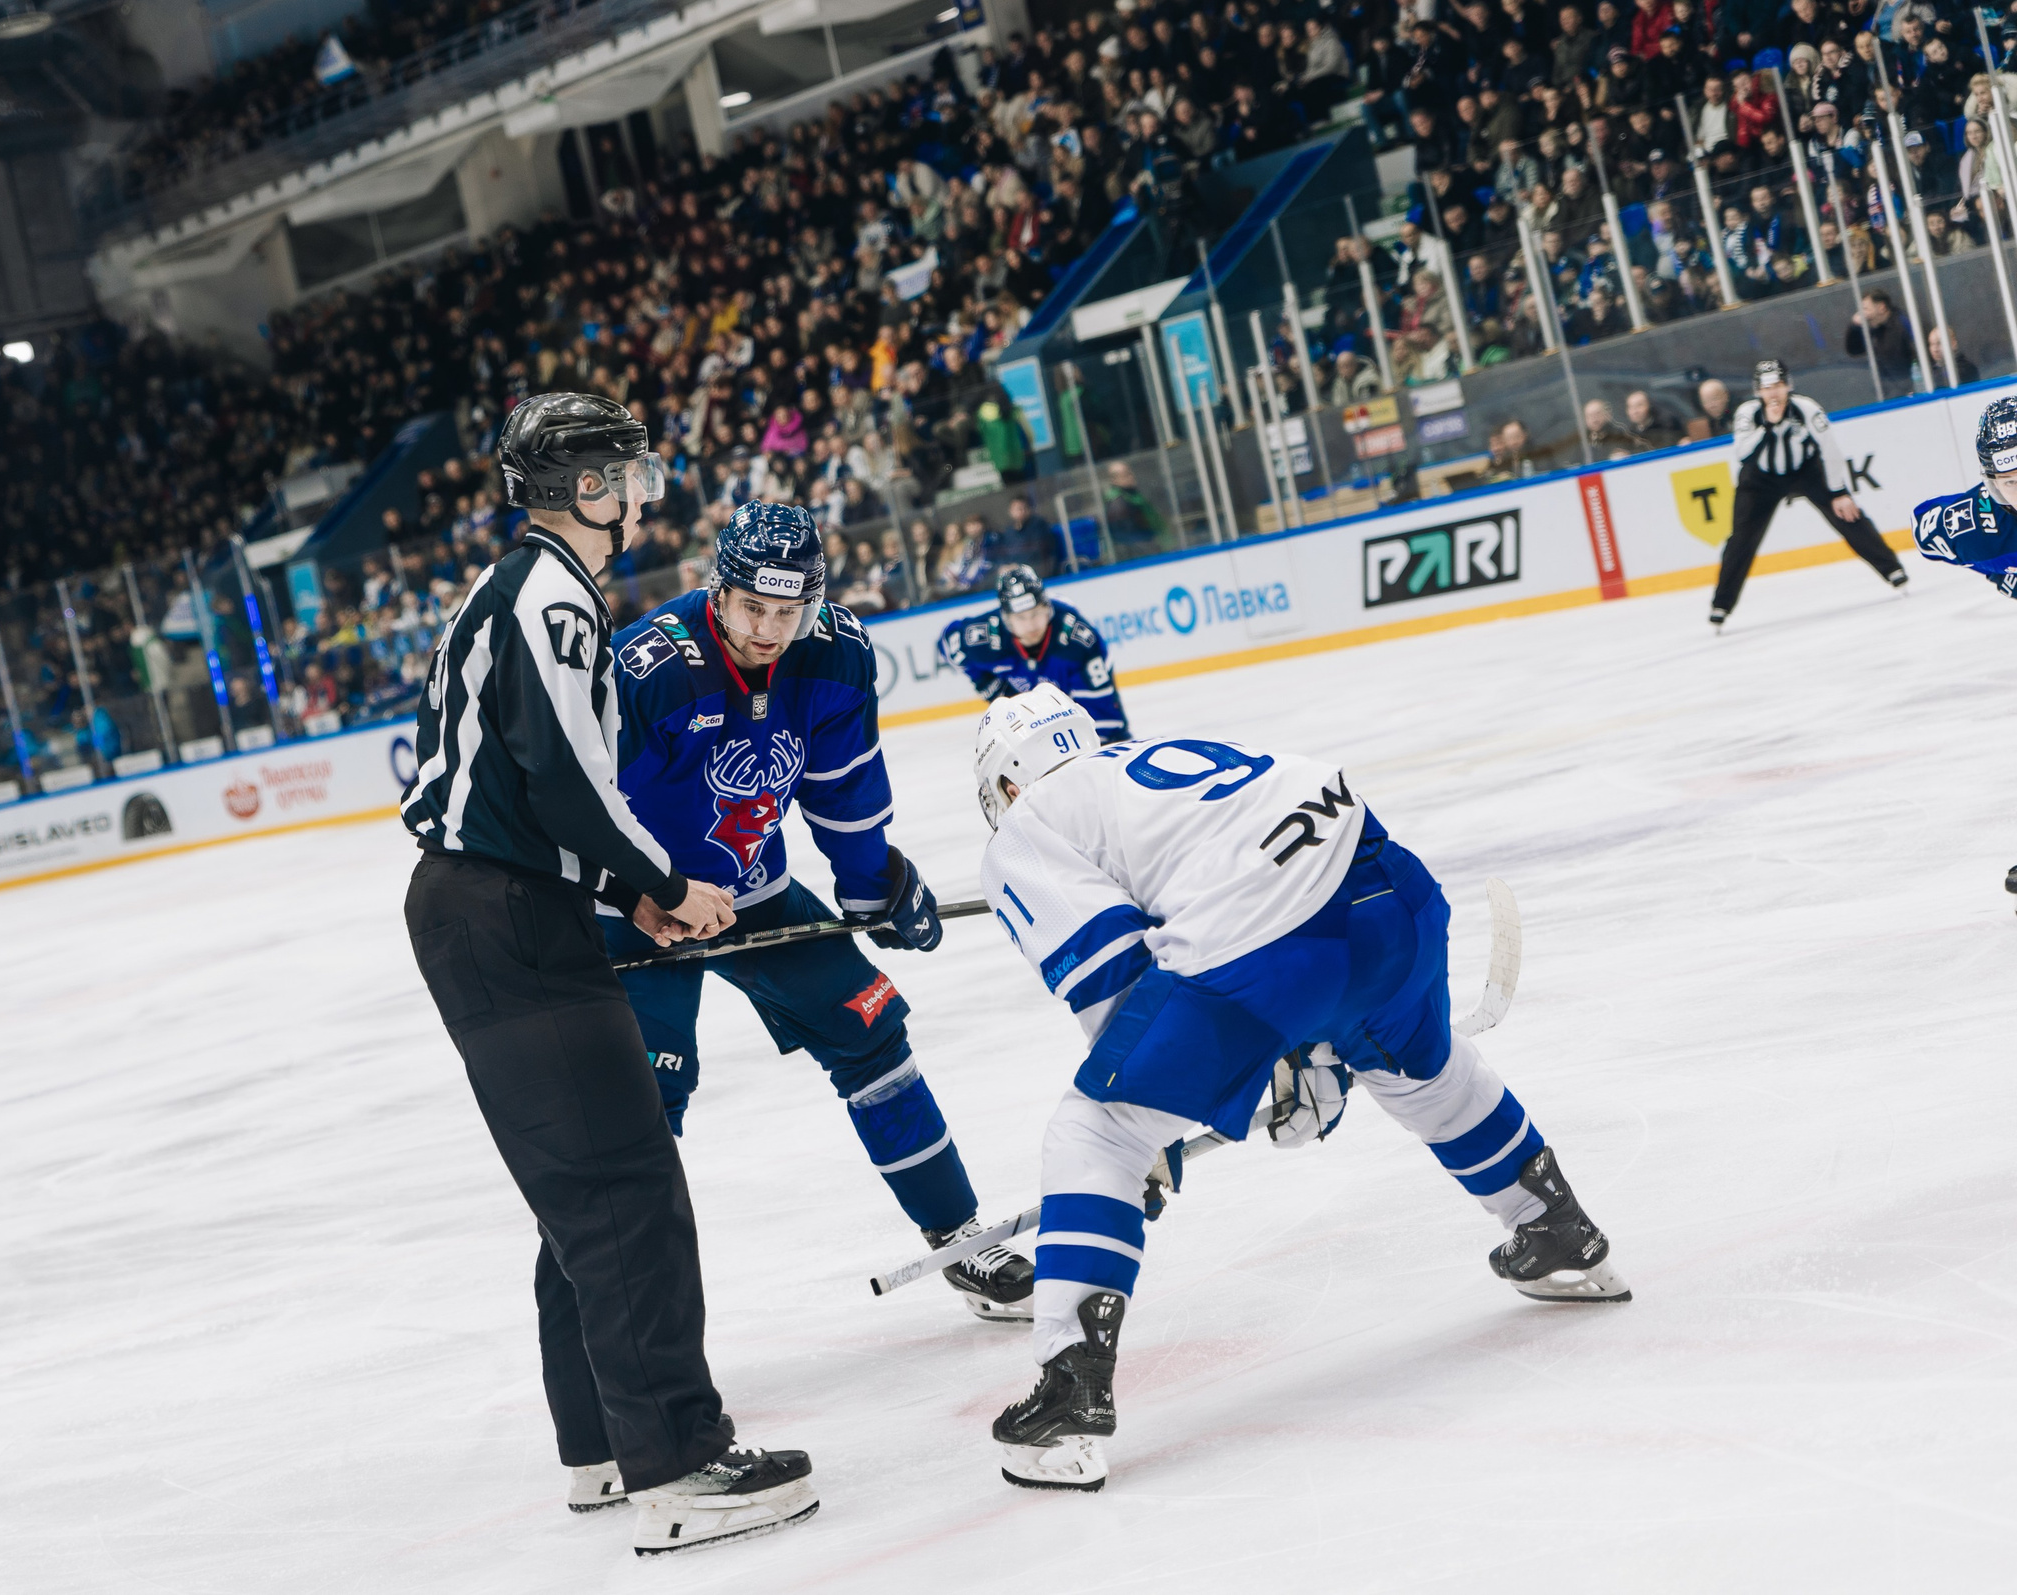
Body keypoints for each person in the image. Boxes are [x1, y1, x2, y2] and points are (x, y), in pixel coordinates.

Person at [969, 687, 1628, 1494]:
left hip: (1272, 945)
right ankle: (1557, 1228)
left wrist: (1157, 1131)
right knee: (1415, 1063)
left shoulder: (1030, 822)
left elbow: (1113, 981)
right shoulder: (1148, 761)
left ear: (1006, 783)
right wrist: (1303, 1051)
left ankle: (1070, 1394)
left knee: (1096, 1132)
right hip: (1392, 889)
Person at [398, 393, 815, 1556]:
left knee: (584, 1195)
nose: (641, 489)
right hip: (507, 917)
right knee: (627, 1188)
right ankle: (679, 1461)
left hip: (496, 911)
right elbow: (572, 778)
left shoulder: (521, 592)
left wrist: (625, 891)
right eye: (625, 472)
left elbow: (537, 793)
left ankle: (598, 1449)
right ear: (585, 490)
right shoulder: (551, 598)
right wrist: (661, 882)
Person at [606, 502, 1033, 1322]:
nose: (769, 629)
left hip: (756, 891)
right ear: (718, 590)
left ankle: (958, 1233)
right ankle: (639, 1334)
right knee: (641, 1106)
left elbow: (844, 791)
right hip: (636, 913)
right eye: (753, 608)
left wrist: (873, 885)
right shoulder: (647, 668)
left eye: (788, 610)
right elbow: (584, 805)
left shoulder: (834, 653)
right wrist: (643, 892)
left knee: (872, 1031)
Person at [1708, 359, 1909, 629]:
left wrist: (1838, 491)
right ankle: (1721, 605)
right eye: (1767, 388)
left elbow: (1831, 450)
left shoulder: (1807, 408)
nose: (1773, 393)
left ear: (1788, 385)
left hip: (1806, 471)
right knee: (1741, 539)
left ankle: (1892, 569)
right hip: (1760, 479)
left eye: (1778, 385)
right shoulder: (1747, 413)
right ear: (1758, 391)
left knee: (1847, 514)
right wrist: (1769, 424)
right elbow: (1743, 453)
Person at [938, 566, 1130, 742]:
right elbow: (948, 642)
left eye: (1036, 614)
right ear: (1006, 619)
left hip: (1073, 699)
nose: (1030, 625)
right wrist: (986, 683)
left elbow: (1106, 721)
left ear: (1047, 608)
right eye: (1021, 618)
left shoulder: (1077, 641)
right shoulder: (984, 637)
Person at [1911, 395, 2017, 604]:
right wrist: (2001, 573)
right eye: (2010, 482)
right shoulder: (1979, 534)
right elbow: (1926, 530)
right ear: (1993, 486)